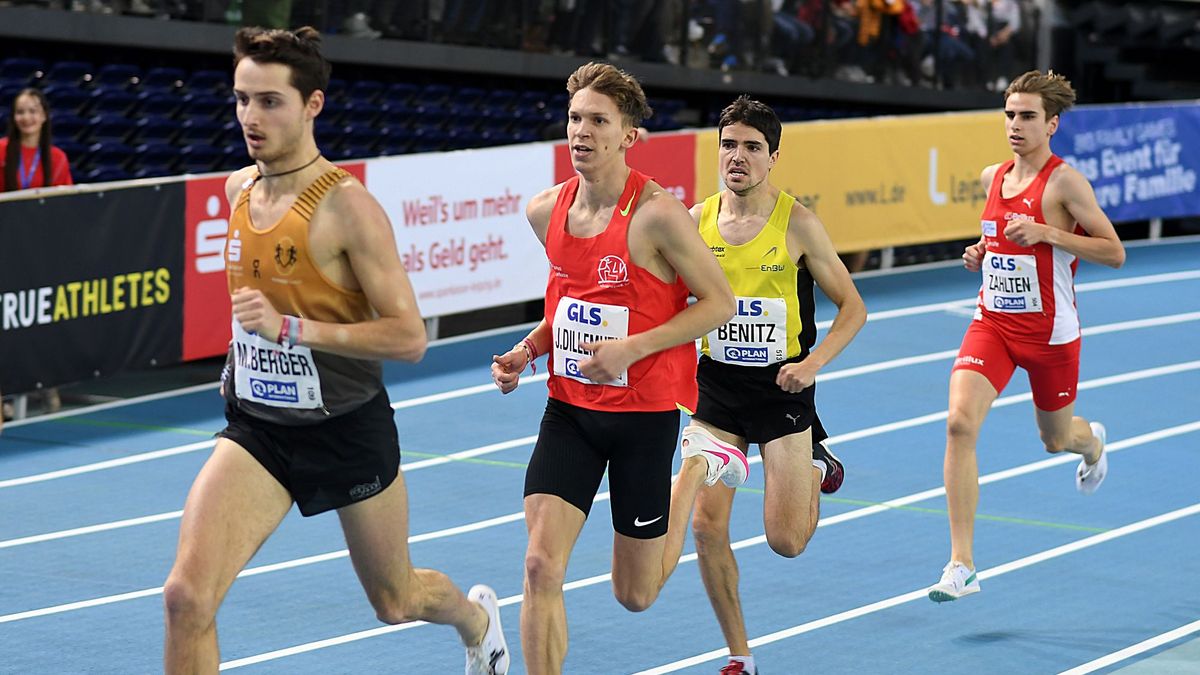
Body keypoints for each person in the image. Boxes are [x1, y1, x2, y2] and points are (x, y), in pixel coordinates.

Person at [161, 27, 509, 674]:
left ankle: (476, 620)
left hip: (346, 428)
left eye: (270, 102)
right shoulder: (239, 191)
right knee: (186, 597)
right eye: (241, 99)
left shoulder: (349, 208)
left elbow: (409, 337)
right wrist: (247, 358)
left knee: (395, 598)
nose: (250, 117)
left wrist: (293, 331)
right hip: (260, 429)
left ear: (312, 104)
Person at [489, 62, 741, 675]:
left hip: (643, 418)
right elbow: (570, 307)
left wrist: (631, 350)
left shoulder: (658, 215)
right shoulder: (545, 211)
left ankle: (697, 468)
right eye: (575, 117)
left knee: (635, 594)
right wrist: (528, 351)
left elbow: (719, 304)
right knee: (539, 566)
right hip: (570, 412)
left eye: (598, 121)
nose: (582, 131)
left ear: (629, 135)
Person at [927, 70, 1125, 602]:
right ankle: (962, 565)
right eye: (1010, 114)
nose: (1015, 125)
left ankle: (1092, 443)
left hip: (1050, 335)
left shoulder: (1065, 184)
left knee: (1054, 440)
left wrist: (1049, 233)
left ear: (1052, 124)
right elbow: (997, 239)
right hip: (992, 324)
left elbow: (1114, 252)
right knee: (958, 424)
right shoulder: (992, 176)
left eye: (1028, 116)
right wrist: (980, 252)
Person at [686, 96, 866, 675]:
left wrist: (812, 366)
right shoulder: (695, 221)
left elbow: (853, 309)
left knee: (786, 542)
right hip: (715, 390)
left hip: (782, 390)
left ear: (773, 157)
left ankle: (814, 461)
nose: (737, 157)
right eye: (728, 145)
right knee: (705, 525)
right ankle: (739, 655)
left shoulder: (799, 224)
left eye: (751, 147)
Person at [2, 87, 74, 414]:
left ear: (44, 116)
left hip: (42, 253)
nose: (26, 117)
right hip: (7, 250)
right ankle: (5, 395)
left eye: (33, 111)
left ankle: (47, 386)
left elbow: (65, 204)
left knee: (42, 320)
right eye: (21, 111)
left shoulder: (56, 157)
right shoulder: (2, 151)